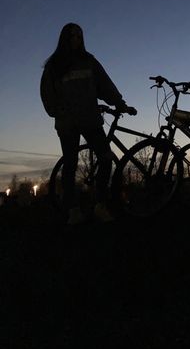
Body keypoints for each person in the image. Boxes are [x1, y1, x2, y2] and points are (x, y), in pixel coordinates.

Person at [41, 23, 136, 224]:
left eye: (79, 36)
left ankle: (99, 204)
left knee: (105, 158)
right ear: (64, 38)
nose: (76, 39)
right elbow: (47, 93)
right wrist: (56, 111)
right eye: (72, 35)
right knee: (70, 165)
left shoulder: (89, 61)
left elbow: (105, 84)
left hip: (90, 119)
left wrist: (120, 103)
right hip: (67, 124)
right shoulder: (54, 65)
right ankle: (72, 211)